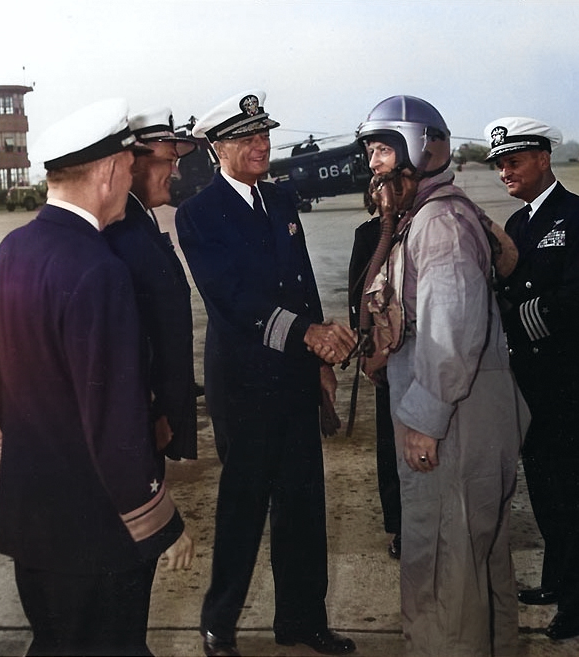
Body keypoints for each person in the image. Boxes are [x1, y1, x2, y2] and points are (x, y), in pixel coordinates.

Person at [0, 98, 194, 657]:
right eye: (129, 165)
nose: (132, 174)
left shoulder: (11, 251)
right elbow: (115, 419)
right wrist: (159, 520)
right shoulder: (98, 269)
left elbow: (0, 386)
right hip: (97, 530)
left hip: (32, 523)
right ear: (106, 172)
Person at [175, 90, 357, 657]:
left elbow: (301, 284)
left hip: (295, 380)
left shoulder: (280, 201)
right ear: (217, 147)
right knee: (243, 509)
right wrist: (306, 335)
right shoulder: (198, 214)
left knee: (303, 506)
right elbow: (231, 298)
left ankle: (303, 621)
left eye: (264, 134)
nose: (262, 145)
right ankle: (219, 624)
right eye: (247, 138)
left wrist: (320, 362)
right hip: (246, 387)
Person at [356, 95, 526, 657]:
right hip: (464, 414)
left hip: (455, 420)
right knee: (477, 564)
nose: (374, 163)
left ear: (420, 148)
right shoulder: (424, 218)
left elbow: (450, 334)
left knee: (445, 568)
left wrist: (424, 421)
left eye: (383, 149)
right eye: (372, 152)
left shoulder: (440, 224)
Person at [484, 116, 579, 640]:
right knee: (546, 488)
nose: (505, 172)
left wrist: (513, 319)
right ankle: (559, 579)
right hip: (533, 381)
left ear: (543, 158)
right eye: (499, 165)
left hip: (578, 379)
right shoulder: (516, 225)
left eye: (514, 160)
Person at [104, 106, 199, 462]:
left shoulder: (139, 220)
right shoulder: (121, 229)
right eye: (166, 161)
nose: (175, 172)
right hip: (139, 420)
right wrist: (150, 409)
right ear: (135, 161)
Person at [348, 217, 401, 559]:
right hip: (390, 361)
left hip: (432, 356)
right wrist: (368, 352)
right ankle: (401, 526)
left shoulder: (436, 222)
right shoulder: (370, 235)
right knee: (391, 445)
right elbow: (358, 296)